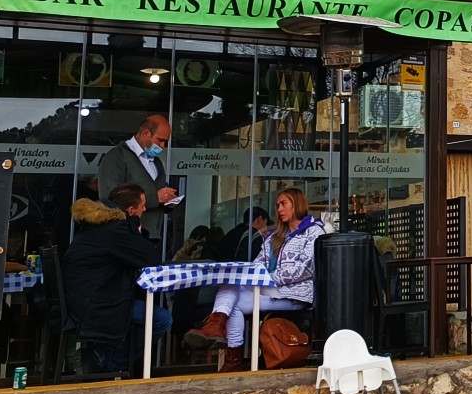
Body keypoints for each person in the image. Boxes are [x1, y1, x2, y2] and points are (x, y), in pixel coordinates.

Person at [184, 187, 322, 372]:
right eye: (277, 205)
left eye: (284, 204)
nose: (279, 209)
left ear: (297, 204)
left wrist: (267, 279)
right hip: (267, 290)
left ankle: (231, 353)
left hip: (295, 295)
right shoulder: (274, 236)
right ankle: (218, 328)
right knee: (231, 285)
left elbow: (304, 269)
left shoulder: (314, 232)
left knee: (232, 302)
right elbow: (257, 265)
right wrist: (256, 278)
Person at [63, 183, 171, 374]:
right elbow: (151, 259)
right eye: (143, 205)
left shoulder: (97, 224)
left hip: (83, 299)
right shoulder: (116, 229)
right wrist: (136, 230)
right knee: (161, 319)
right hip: (97, 304)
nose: (145, 209)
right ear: (131, 210)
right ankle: (108, 362)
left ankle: (104, 354)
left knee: (142, 315)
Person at [96, 114, 178, 242]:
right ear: (145, 134)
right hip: (124, 235)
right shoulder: (117, 156)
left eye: (165, 142)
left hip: (152, 235)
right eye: (160, 140)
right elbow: (108, 197)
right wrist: (155, 198)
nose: (163, 146)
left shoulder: (156, 163)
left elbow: (158, 197)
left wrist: (168, 202)